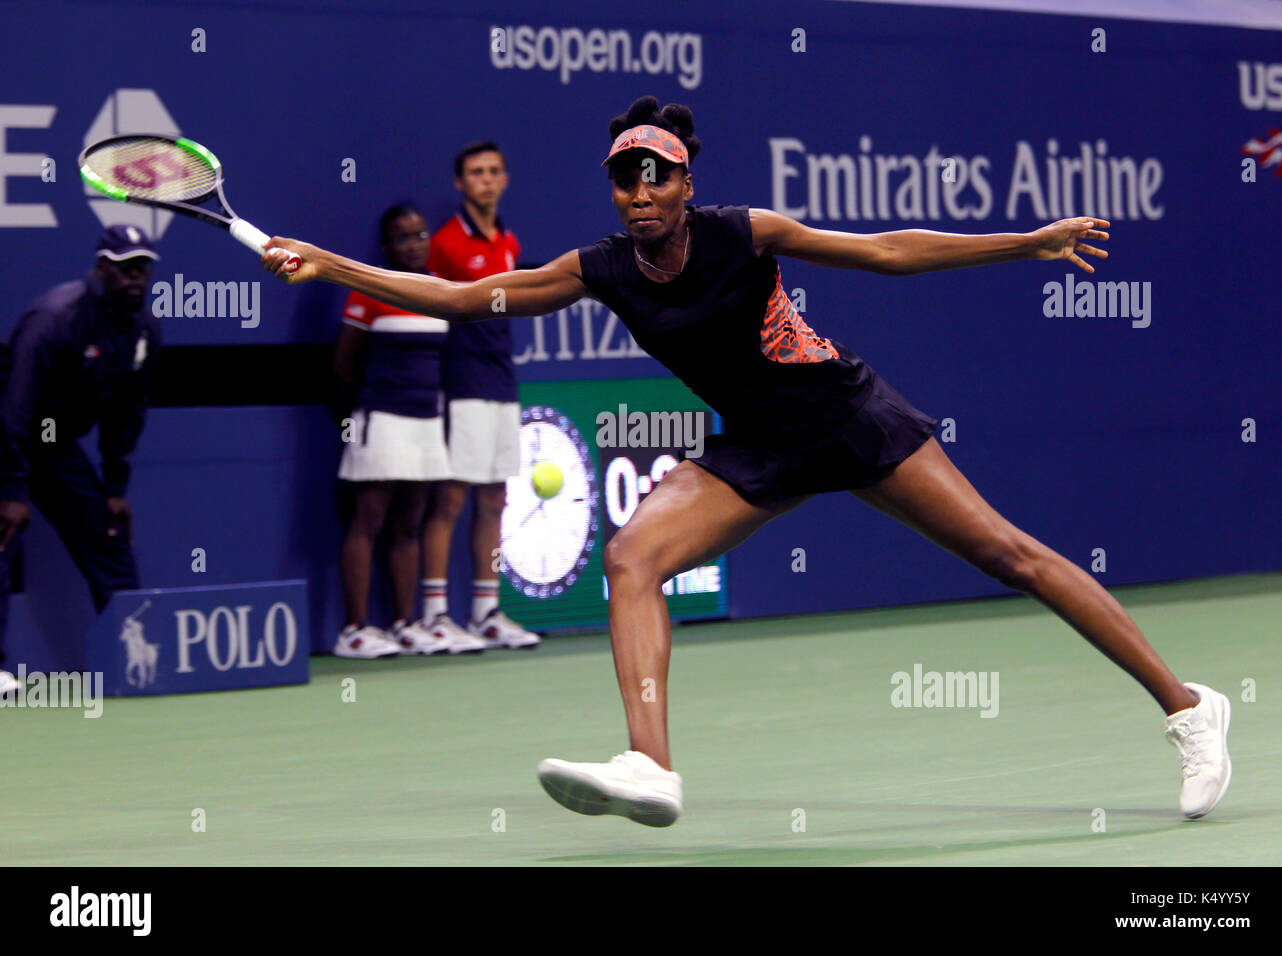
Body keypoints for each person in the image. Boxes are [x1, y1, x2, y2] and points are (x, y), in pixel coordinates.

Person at [259, 95, 1232, 828]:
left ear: (685, 185)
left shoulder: (744, 233)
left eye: (657, 176)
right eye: (625, 177)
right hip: (759, 445)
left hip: (847, 416)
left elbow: (887, 251)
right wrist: (335, 265)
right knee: (632, 557)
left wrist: (1025, 242)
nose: (640, 193)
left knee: (1009, 556)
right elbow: (470, 299)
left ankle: (1188, 707)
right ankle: (651, 765)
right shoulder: (594, 267)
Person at [0, 225, 161, 695]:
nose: (135, 278)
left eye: (143, 269)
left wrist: (114, 488)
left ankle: (135, 658)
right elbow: (14, 407)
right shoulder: (56, 318)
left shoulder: (144, 329)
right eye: (125, 268)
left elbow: (126, 414)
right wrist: (11, 490)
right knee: (2, 539)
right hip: (7, 435)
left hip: (55, 446)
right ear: (102, 268)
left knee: (108, 537)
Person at [332, 205, 484, 657]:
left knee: (409, 524)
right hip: (380, 420)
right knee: (368, 521)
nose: (415, 243)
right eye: (403, 237)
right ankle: (354, 629)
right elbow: (343, 368)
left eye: (421, 235)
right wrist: (351, 423)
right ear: (387, 246)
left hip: (426, 423)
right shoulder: (367, 292)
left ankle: (403, 623)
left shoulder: (439, 292)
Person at [420, 141, 539, 650]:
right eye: (475, 172)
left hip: (501, 379)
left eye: (493, 171)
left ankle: (486, 610)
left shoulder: (508, 241)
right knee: (450, 498)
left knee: (496, 498)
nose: (485, 179)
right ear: (460, 183)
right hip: (460, 379)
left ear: (505, 179)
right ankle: (434, 614)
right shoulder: (444, 243)